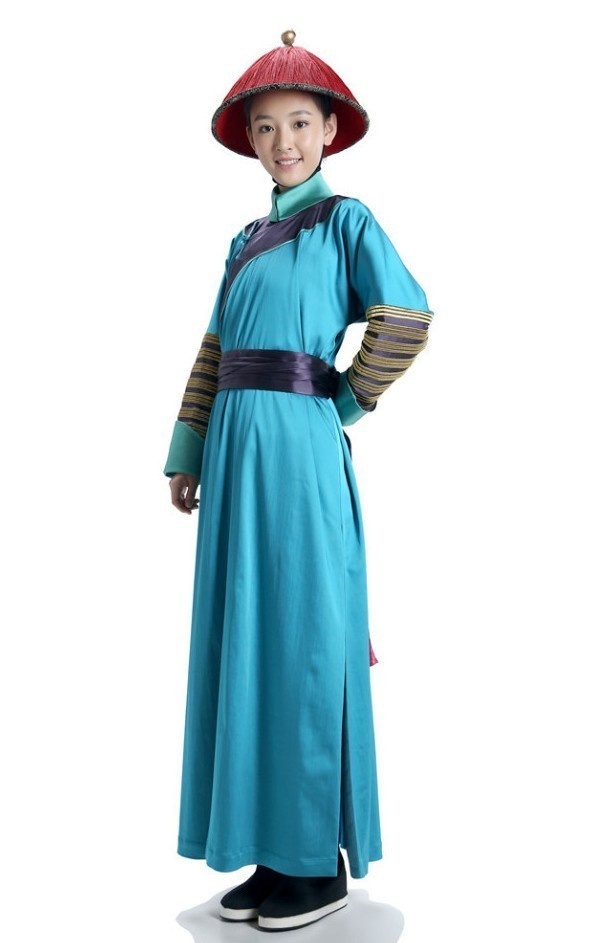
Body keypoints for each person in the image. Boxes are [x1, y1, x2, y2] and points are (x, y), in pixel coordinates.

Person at [164, 30, 434, 932]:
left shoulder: (346, 222)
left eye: (300, 124)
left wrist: (343, 401)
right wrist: (188, 448)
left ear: (329, 132)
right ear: (251, 140)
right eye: (267, 127)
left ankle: (317, 864)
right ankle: (270, 850)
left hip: (299, 455)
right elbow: (216, 346)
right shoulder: (245, 240)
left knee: (304, 639)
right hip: (235, 458)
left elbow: (406, 316)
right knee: (249, 640)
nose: (284, 141)